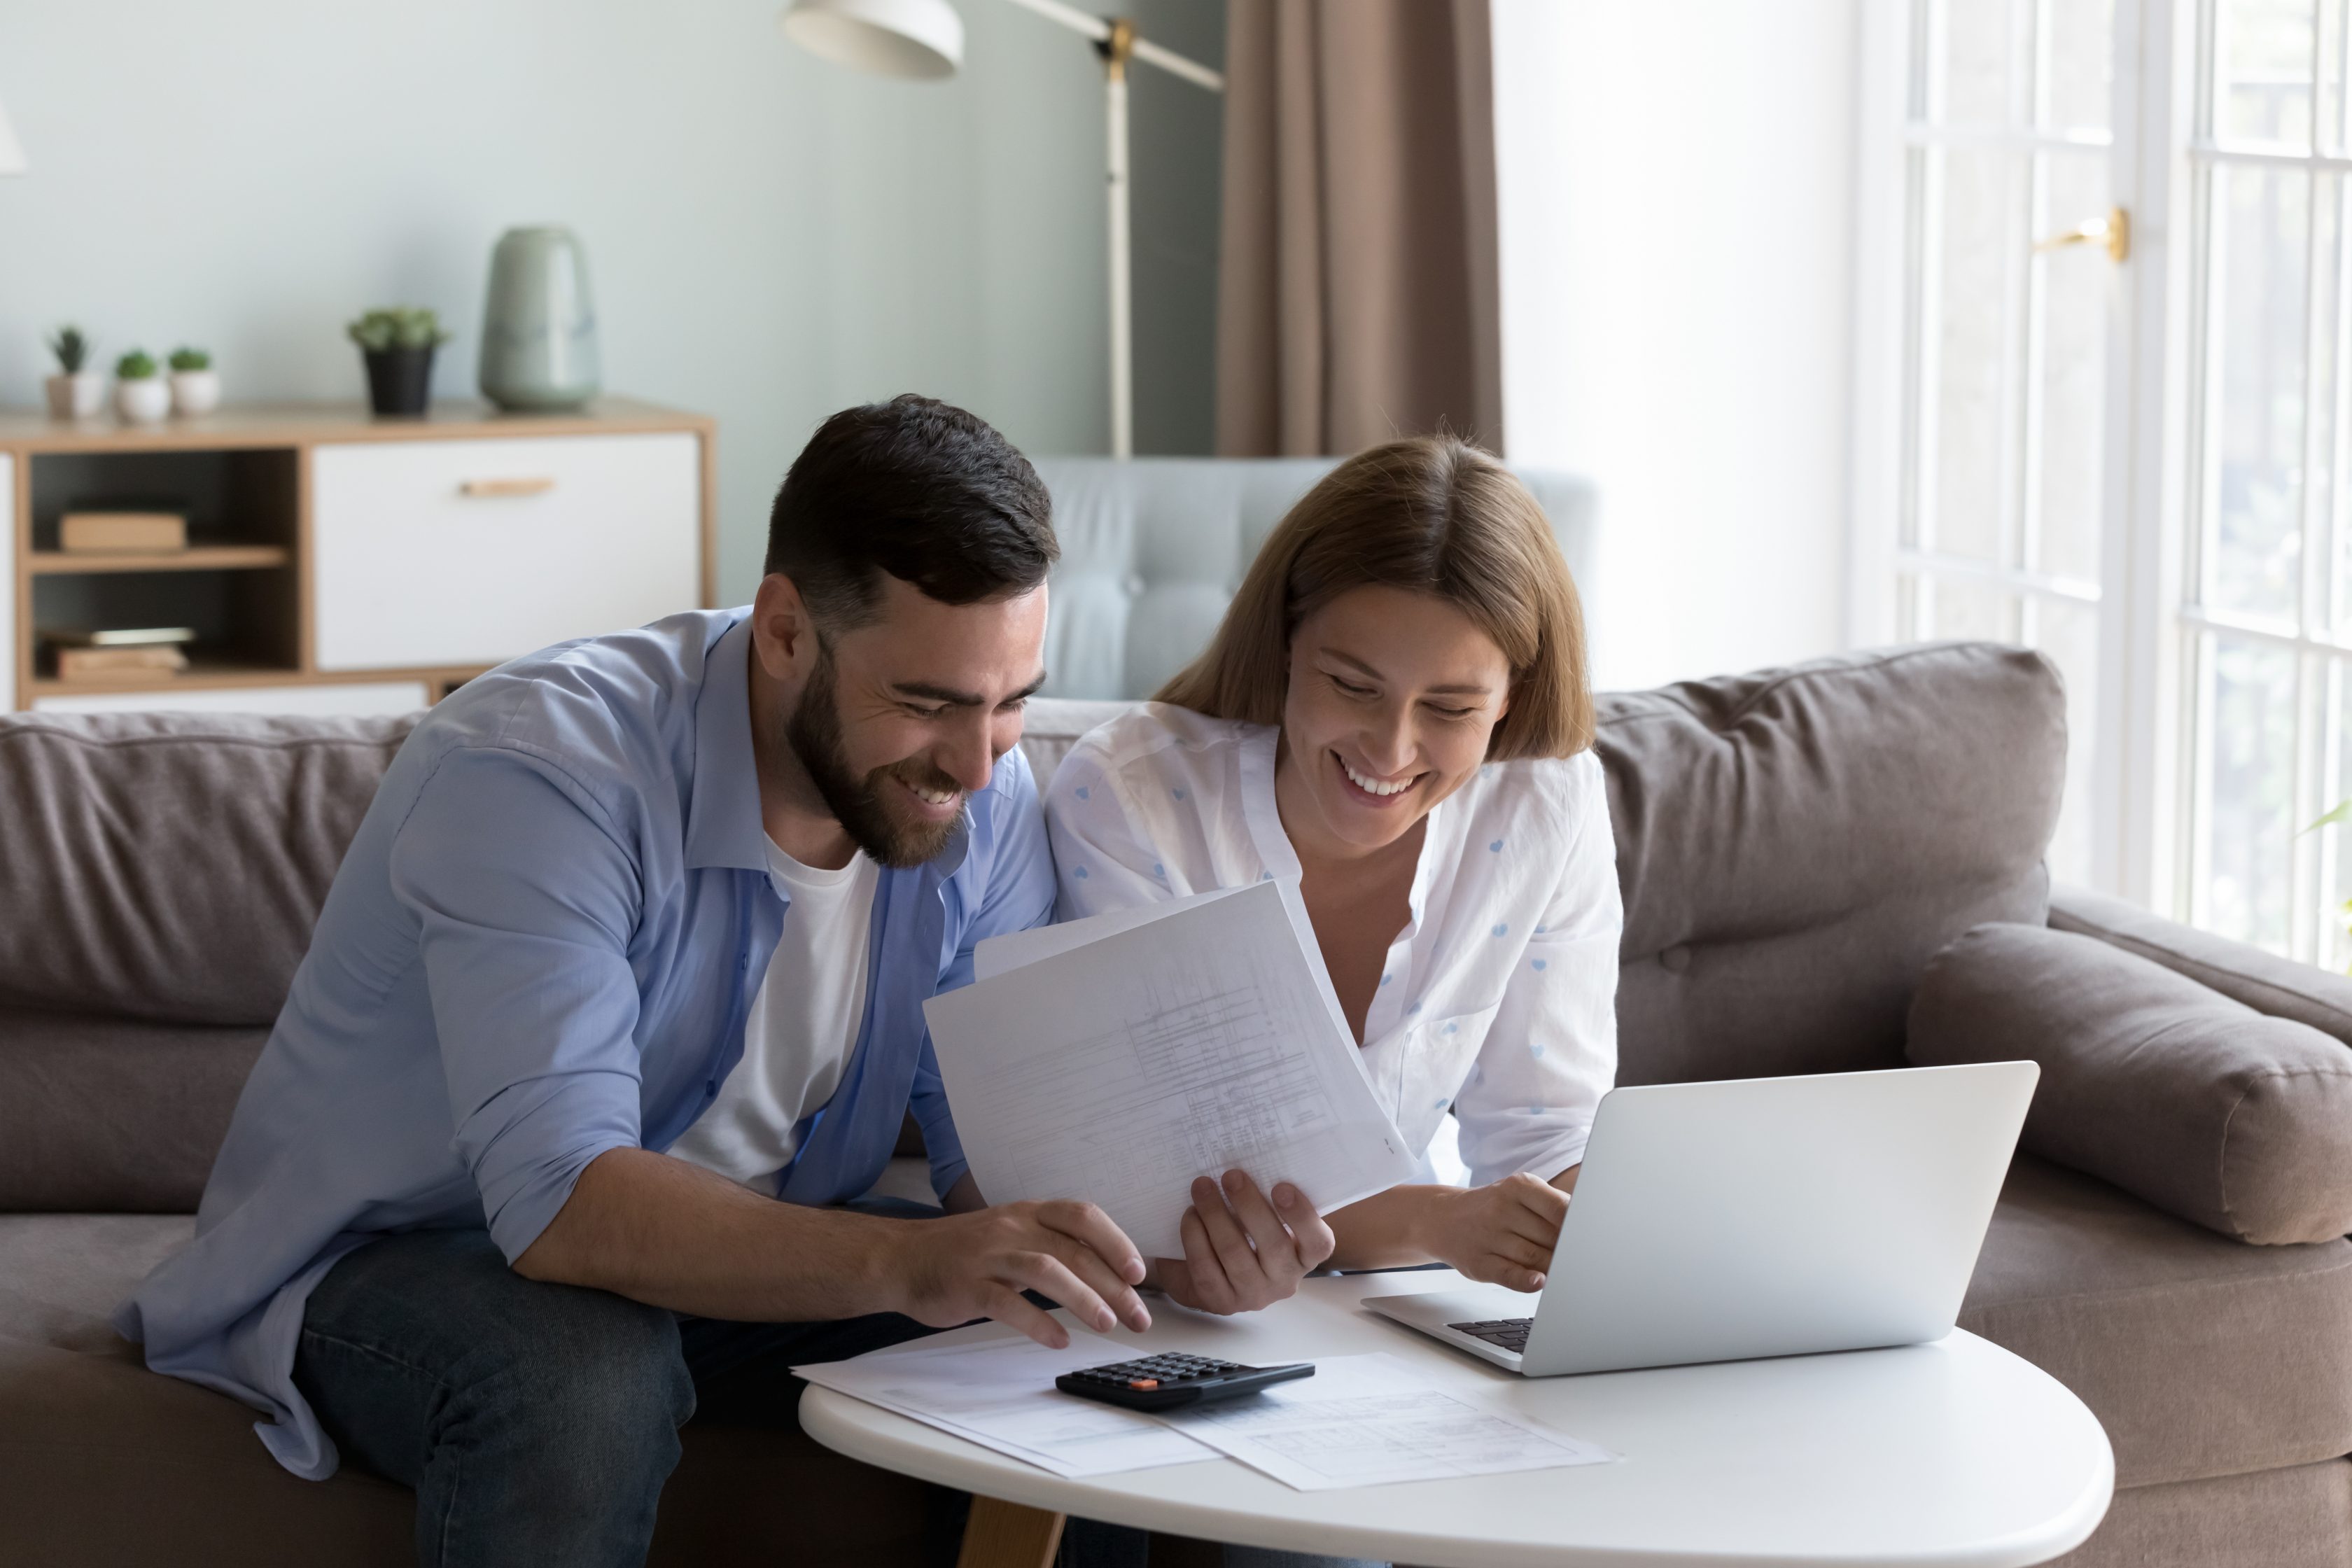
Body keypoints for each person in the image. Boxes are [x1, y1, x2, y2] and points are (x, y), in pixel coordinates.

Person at [115, 395, 1324, 1568]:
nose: (976, 760)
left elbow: (995, 1169)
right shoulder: (539, 776)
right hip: (412, 1258)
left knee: (1079, 1343)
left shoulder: (980, 799)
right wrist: (912, 1262)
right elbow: (562, 1205)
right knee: (581, 1372)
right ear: (787, 628)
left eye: (1013, 702)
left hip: (752, 1250)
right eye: (928, 704)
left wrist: (1161, 1255)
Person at [1047, 436, 1618, 1301]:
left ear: (1512, 698)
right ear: (1285, 642)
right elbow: (1168, 1179)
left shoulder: (1546, 803)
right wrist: (1437, 1221)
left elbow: (1548, 1137)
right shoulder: (1132, 798)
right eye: (1352, 685)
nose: (1390, 749)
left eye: (1452, 708)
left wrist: (1602, 1245)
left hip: (1394, 1313)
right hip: (1173, 1317)